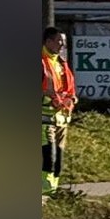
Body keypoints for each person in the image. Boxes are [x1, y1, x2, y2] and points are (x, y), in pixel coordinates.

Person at [41, 27, 78, 194]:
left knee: (58, 162)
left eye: (63, 42)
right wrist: (51, 97)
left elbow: (69, 90)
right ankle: (44, 192)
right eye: (58, 41)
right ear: (48, 42)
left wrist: (72, 99)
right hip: (44, 120)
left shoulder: (61, 63)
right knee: (49, 157)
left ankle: (52, 192)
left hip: (62, 119)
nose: (62, 45)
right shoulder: (41, 62)